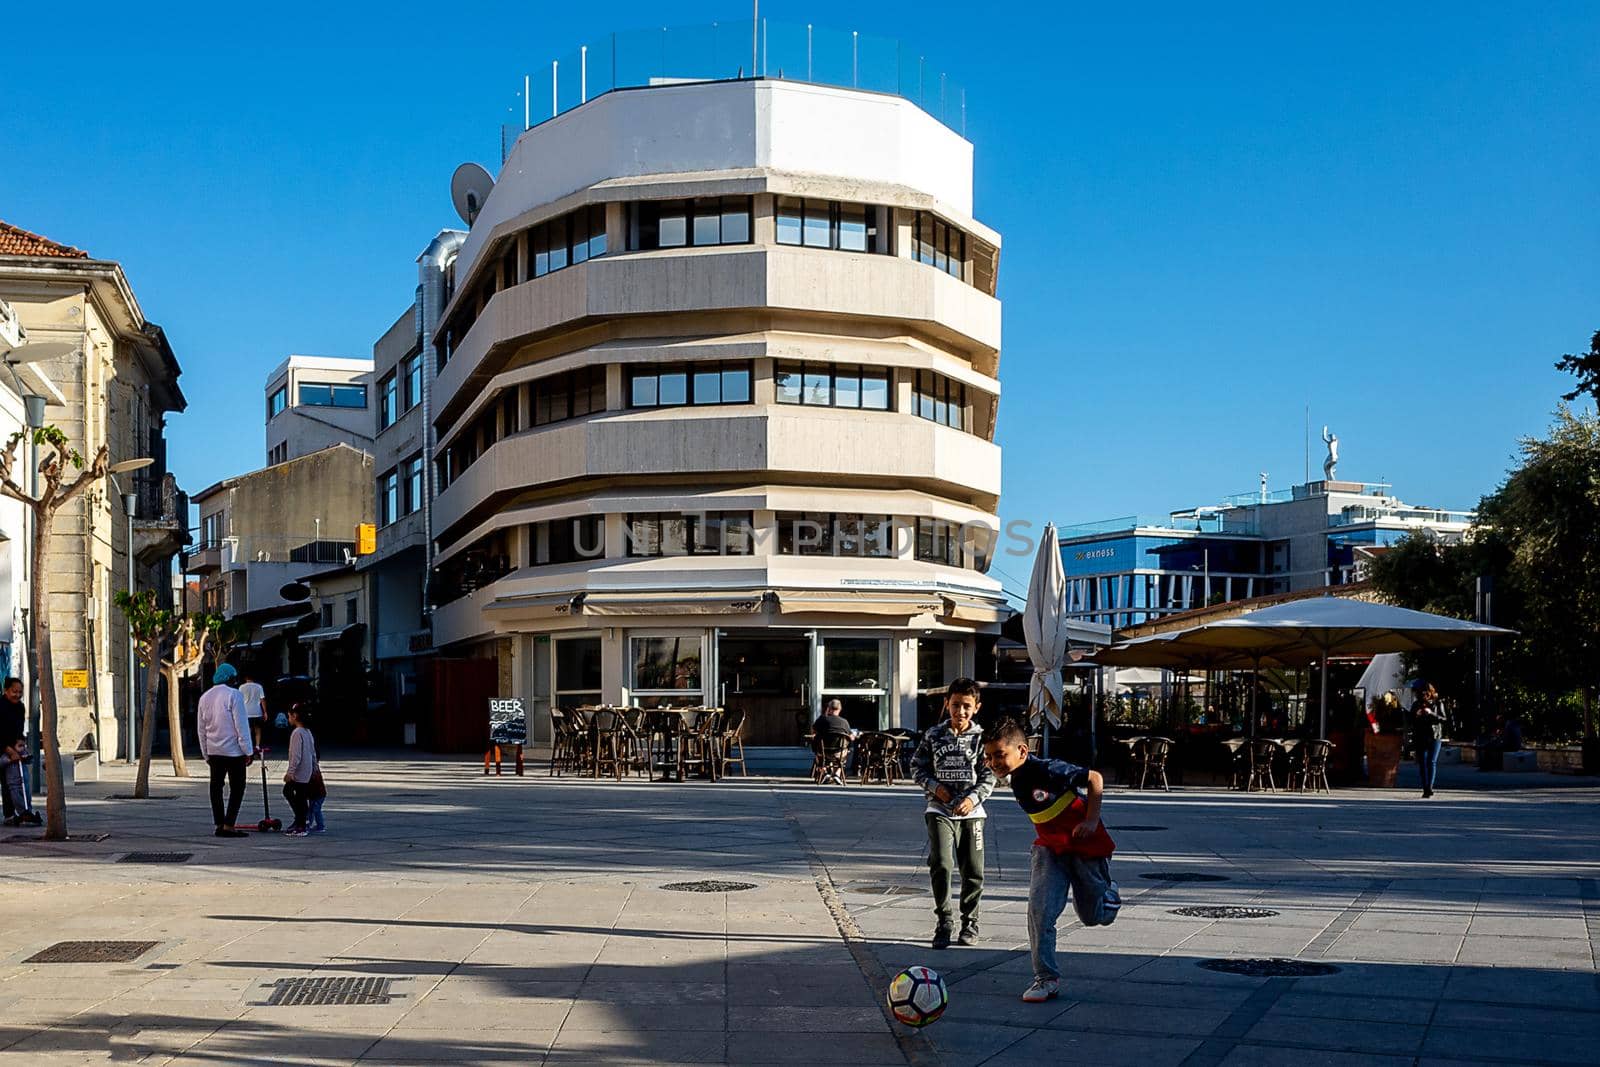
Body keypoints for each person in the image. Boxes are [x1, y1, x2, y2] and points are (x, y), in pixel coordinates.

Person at [983, 718, 1119, 1004]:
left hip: (1084, 844)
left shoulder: (1047, 768)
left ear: (1022, 750)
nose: (993, 762)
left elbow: (1095, 778)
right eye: (988, 756)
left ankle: (1109, 894)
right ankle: (1046, 978)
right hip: (1049, 849)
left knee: (1094, 917)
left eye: (999, 755)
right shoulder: (1011, 774)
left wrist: (1092, 820)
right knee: (1039, 911)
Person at [911, 677, 994, 950]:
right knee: (942, 863)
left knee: (973, 868)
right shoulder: (933, 735)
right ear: (947, 704)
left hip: (972, 814)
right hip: (939, 810)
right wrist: (935, 788)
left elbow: (989, 774)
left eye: (967, 706)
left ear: (977, 707)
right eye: (956, 705)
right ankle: (944, 920)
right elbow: (916, 766)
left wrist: (972, 799)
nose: (961, 712)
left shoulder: (982, 738)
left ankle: (970, 921)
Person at [198, 663, 253, 837]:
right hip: (234, 751)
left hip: (214, 750)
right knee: (237, 787)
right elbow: (241, 725)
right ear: (230, 678)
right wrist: (248, 750)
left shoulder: (204, 697)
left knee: (216, 787)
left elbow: (201, 728)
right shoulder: (234, 695)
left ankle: (219, 822)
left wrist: (205, 752)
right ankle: (229, 824)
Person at [0, 677, 40, 827]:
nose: (17, 695)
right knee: (10, 782)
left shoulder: (20, 707)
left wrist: (20, 743)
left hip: (13, 750)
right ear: (6, 691)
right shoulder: (1, 706)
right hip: (3, 749)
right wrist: (10, 751)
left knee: (16, 781)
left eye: (20, 692)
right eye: (14, 691)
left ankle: (20, 812)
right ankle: (15, 813)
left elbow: (19, 730)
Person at [282, 704, 320, 837]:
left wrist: (290, 772)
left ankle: (301, 823)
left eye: (289, 716)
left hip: (299, 771)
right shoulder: (307, 732)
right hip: (307, 769)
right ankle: (300, 821)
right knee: (299, 796)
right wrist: (315, 767)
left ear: (295, 716)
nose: (288, 719)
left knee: (294, 795)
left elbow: (296, 755)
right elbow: (313, 752)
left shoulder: (297, 733)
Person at [1410, 679, 1444, 798]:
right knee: (1422, 763)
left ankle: (1429, 786)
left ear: (1429, 692)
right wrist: (1417, 714)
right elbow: (1411, 721)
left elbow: (1443, 719)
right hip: (1420, 736)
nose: (1422, 695)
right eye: (1420, 693)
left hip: (1434, 736)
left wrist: (1431, 713)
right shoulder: (1416, 704)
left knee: (1431, 761)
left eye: (1425, 693)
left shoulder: (1437, 703)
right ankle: (1425, 787)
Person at [812, 699, 854, 783]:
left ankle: (824, 772)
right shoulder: (844, 722)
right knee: (848, 749)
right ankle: (837, 774)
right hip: (839, 753)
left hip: (823, 752)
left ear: (828, 708)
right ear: (840, 709)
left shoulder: (822, 719)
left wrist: (825, 715)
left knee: (816, 747)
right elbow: (851, 737)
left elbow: (813, 731)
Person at [238, 672, 266, 750]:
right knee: (258, 730)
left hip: (246, 713)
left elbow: (239, 700)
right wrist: (265, 712)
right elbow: (262, 699)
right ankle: (257, 746)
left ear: (246, 678)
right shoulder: (259, 687)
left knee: (248, 730)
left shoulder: (241, 687)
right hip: (257, 712)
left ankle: (249, 746)